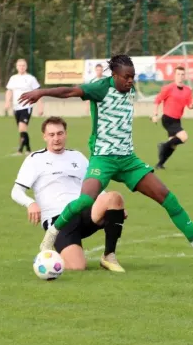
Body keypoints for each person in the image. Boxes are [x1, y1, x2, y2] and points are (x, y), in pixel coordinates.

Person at [18, 54, 193, 263]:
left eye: (132, 77)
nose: (130, 81)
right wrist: (41, 92)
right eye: (126, 77)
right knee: (85, 200)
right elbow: (70, 91)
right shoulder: (100, 88)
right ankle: (51, 235)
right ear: (115, 75)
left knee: (167, 197)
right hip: (104, 159)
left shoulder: (129, 89)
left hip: (128, 160)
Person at [11, 116, 127, 272]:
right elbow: (16, 191)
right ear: (44, 137)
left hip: (84, 211)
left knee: (114, 197)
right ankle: (55, 251)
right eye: (51, 135)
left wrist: (114, 207)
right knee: (77, 267)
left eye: (60, 133)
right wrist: (30, 203)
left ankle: (109, 255)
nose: (56, 138)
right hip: (58, 220)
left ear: (65, 134)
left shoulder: (77, 157)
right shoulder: (34, 159)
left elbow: (95, 186)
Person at [152, 66, 193, 169]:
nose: (180, 77)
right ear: (174, 75)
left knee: (173, 145)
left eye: (182, 74)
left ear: (184, 76)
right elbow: (157, 101)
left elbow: (189, 106)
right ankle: (163, 145)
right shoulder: (168, 88)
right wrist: (155, 115)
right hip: (167, 119)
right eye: (178, 74)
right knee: (184, 137)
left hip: (177, 120)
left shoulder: (187, 90)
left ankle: (160, 164)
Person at [5, 59, 44, 155]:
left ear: (26, 67)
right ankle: (28, 149)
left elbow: (38, 93)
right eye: (19, 65)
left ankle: (20, 150)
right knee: (21, 129)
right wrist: (7, 102)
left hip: (26, 106)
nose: (21, 67)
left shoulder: (31, 78)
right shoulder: (13, 78)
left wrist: (40, 107)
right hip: (16, 107)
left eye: (23, 65)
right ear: (17, 67)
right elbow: (9, 91)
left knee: (22, 128)